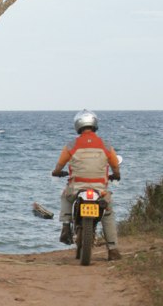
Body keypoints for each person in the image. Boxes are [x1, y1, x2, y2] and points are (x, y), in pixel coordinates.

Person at [51, 109, 123, 261]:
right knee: (108, 212)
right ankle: (113, 249)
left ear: (78, 125)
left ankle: (65, 225)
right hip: (100, 190)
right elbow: (115, 166)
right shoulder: (106, 145)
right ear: (95, 124)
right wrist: (116, 175)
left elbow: (59, 166)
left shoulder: (71, 145)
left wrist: (56, 172)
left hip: (77, 188)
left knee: (65, 196)